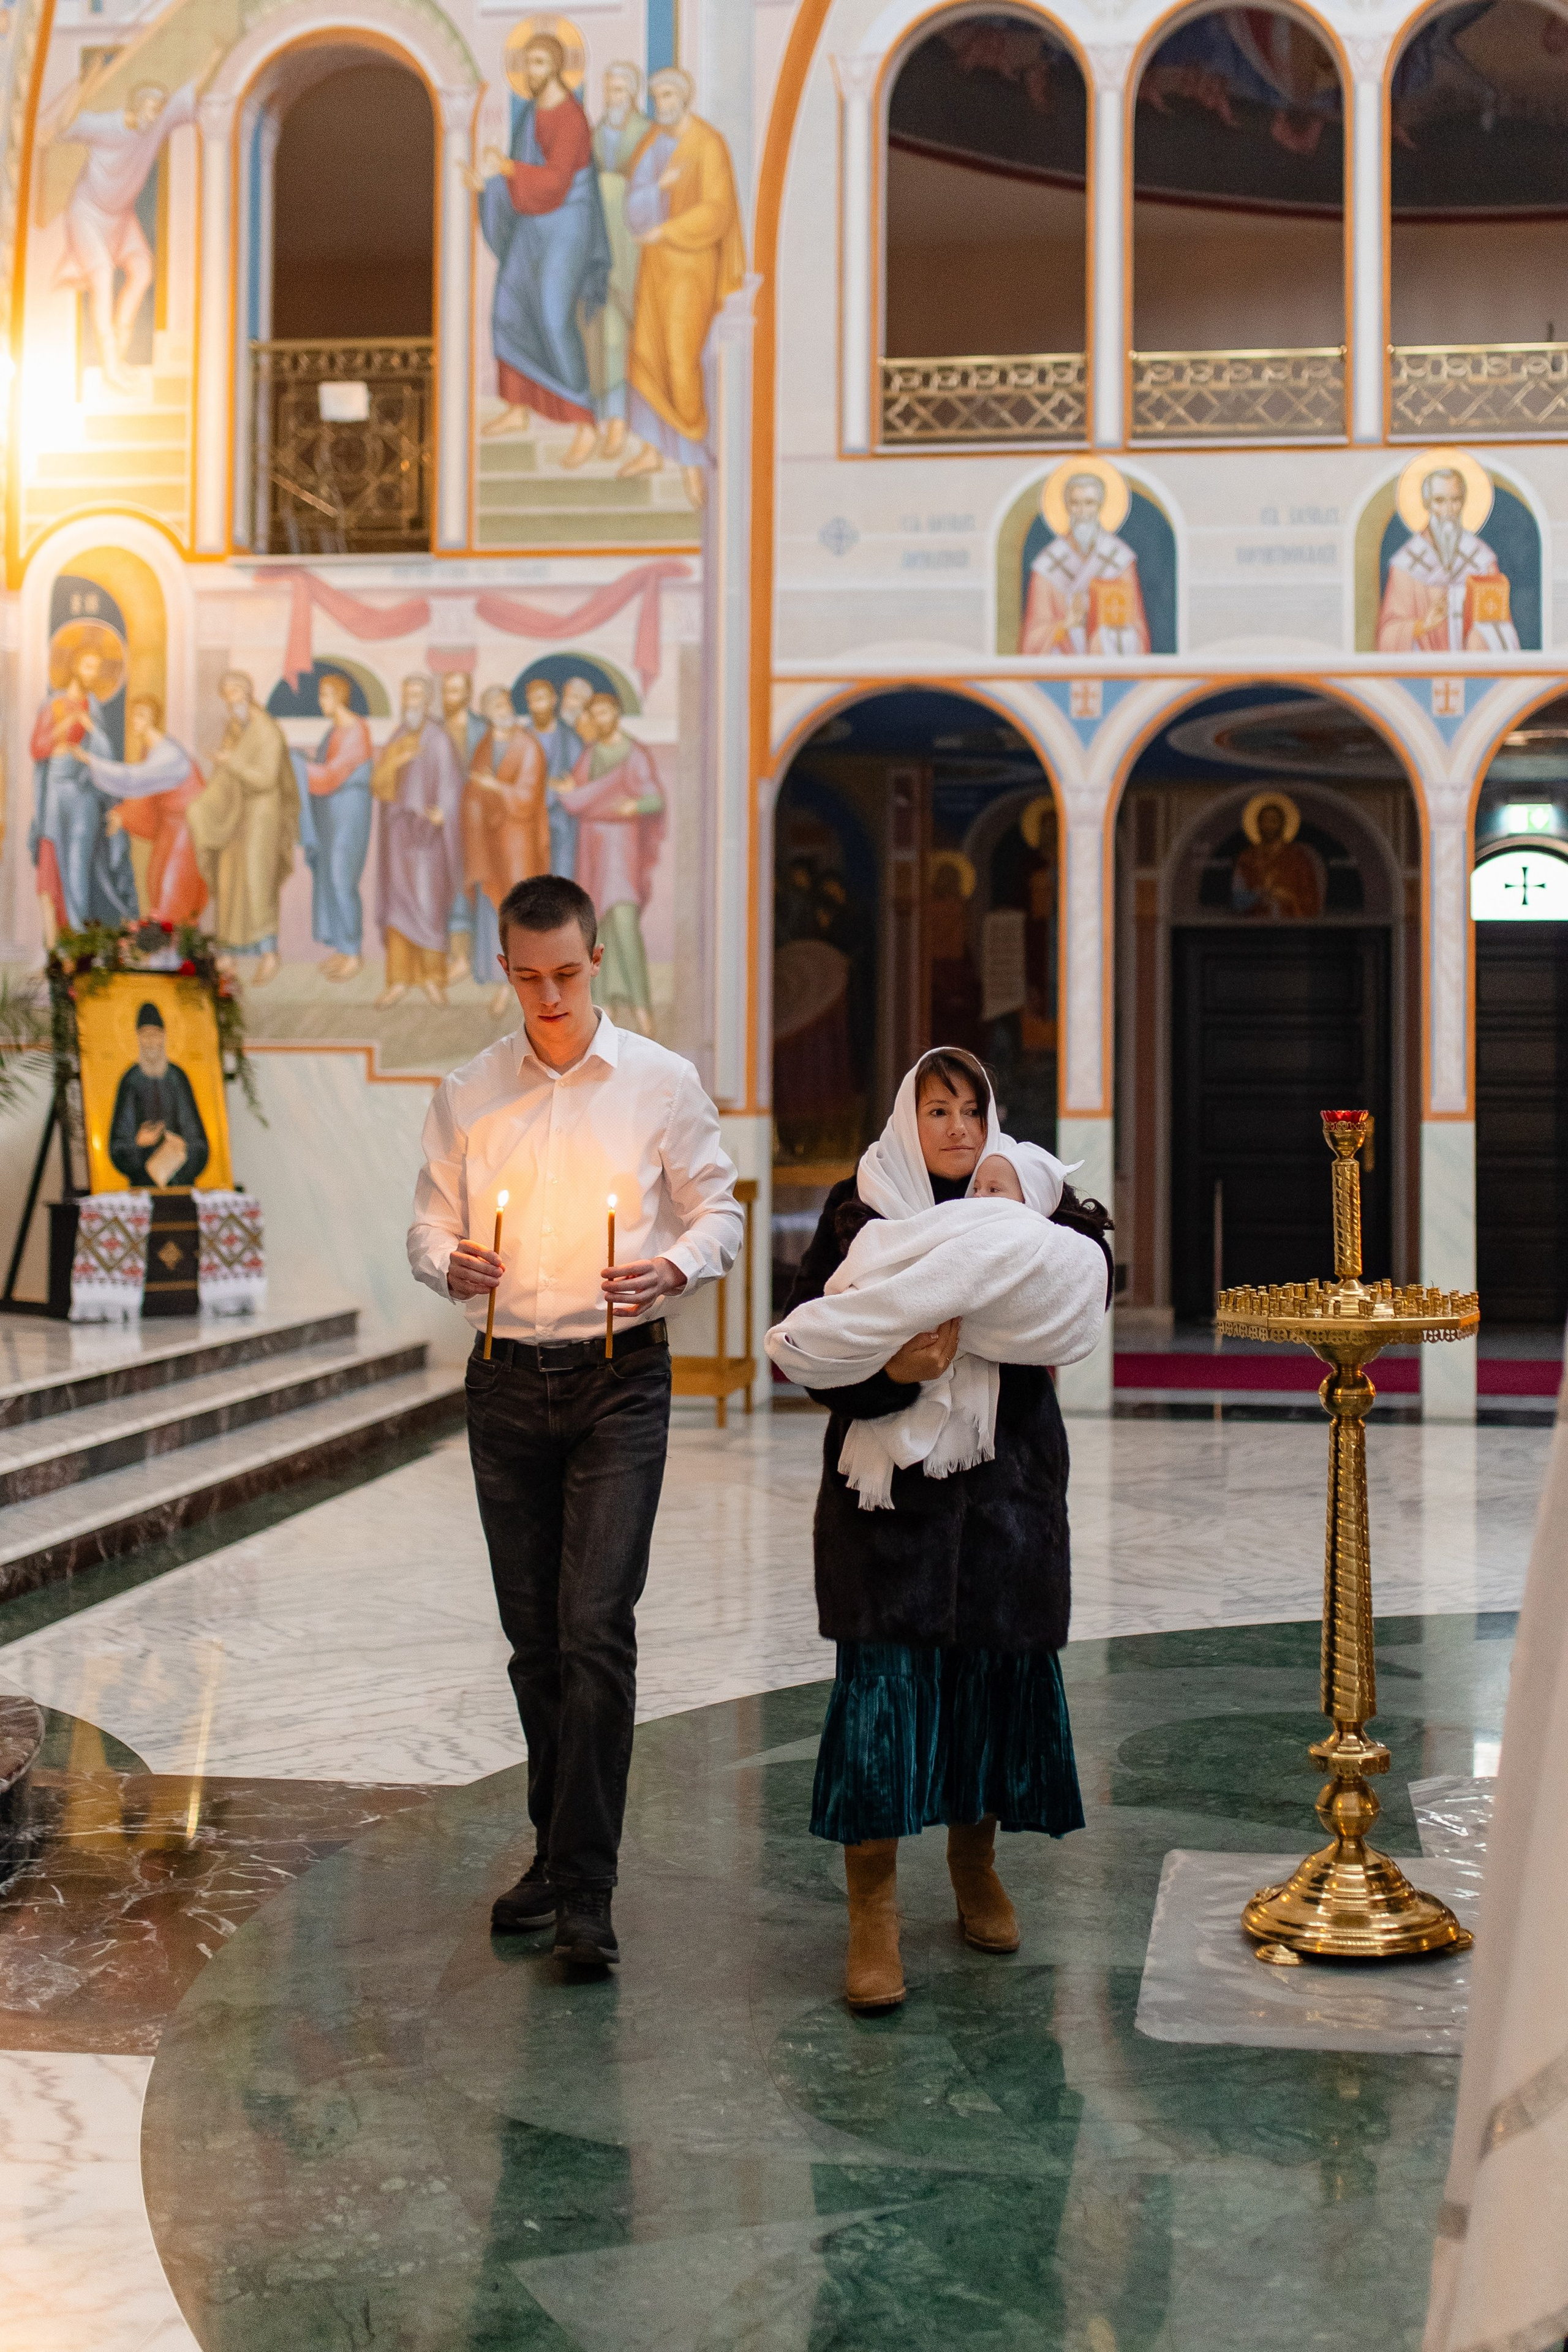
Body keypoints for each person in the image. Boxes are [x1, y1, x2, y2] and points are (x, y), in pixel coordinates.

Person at [407, 872, 742, 1966]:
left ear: (595, 960)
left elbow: (718, 1211)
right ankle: (555, 1849)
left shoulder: (660, 1081)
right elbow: (426, 1223)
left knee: (596, 1625)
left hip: (618, 1379)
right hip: (504, 1379)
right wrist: (443, 1258)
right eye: (527, 978)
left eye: (566, 975)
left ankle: (587, 1887)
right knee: (533, 1638)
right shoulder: (468, 1092)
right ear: (504, 969)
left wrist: (675, 1267)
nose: (548, 998)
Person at [772, 1047, 1112, 2013]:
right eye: (938, 1110)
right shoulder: (860, 1212)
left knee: (991, 1691)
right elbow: (810, 1343)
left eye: (972, 1109)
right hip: (893, 1515)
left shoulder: (1038, 1196)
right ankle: (871, 1910)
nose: (959, 1128)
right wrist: (903, 1365)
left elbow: (1089, 1283)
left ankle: (976, 1870)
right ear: (904, 1120)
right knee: (884, 1702)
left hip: (1007, 1500)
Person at [468, 32, 611, 468]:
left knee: (552, 314)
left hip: (568, 221)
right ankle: (517, 408)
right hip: (534, 222)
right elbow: (523, 182)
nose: (530, 73)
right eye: (526, 64)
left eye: (538, 64)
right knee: (509, 306)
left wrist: (507, 169)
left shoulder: (570, 117)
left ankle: (584, 423)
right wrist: (490, 185)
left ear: (555, 67)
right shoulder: (529, 114)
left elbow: (556, 181)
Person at [47, 61, 216, 393]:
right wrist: (81, 88)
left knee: (142, 271)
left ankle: (120, 356)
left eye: (158, 111)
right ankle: (109, 365)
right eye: (151, 110)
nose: (156, 118)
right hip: (89, 213)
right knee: (102, 277)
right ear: (136, 107)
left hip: (122, 217)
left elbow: (193, 92)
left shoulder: (156, 122)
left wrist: (218, 52)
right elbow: (62, 126)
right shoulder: (104, 125)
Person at [620, 67, 746, 510]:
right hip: (656, 266)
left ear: (686, 96)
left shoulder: (707, 144)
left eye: (669, 93)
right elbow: (633, 206)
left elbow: (717, 210)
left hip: (692, 265)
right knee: (646, 355)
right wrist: (657, 191)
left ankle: (693, 462)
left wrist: (669, 229)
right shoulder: (652, 143)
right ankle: (652, 450)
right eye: (657, 95)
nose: (662, 102)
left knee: (679, 358)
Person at [557, 690, 663, 1035]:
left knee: (625, 923)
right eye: (595, 713)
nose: (600, 719)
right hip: (593, 846)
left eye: (605, 712)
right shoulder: (592, 753)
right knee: (596, 926)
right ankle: (602, 1009)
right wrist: (567, 788)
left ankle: (642, 1009)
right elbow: (576, 792)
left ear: (616, 713)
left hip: (620, 847)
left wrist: (633, 806)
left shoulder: (634, 754)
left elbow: (653, 800)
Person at [184, 671, 296, 986]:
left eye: (235, 691)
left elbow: (265, 777)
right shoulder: (235, 729)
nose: (231, 699)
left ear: (248, 692)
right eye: (226, 694)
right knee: (229, 878)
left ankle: (269, 954)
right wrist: (204, 807)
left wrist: (230, 761)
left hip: (262, 814)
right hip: (234, 813)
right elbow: (226, 775)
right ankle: (228, 953)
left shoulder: (267, 731)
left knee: (257, 881)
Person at [28, 626, 135, 937]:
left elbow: (106, 753)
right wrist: (68, 722)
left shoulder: (93, 706)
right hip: (56, 792)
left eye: (97, 669)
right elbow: (38, 748)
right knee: (51, 862)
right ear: (75, 666)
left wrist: (91, 728)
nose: (92, 675)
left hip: (85, 792)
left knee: (79, 866)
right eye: (88, 667)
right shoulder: (54, 705)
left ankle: (78, 938)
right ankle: (57, 943)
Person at [371, 674, 467, 1009]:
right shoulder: (397, 738)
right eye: (406, 695)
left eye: (416, 696)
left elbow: (452, 788)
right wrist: (393, 765)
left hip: (428, 839)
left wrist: (444, 813)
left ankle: (432, 979)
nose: (410, 701)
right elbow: (379, 786)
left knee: (428, 907)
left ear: (426, 702)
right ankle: (398, 980)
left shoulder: (439, 739)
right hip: (398, 835)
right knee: (398, 906)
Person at [461, 684, 551, 1018]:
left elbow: (527, 797)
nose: (500, 709)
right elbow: (474, 788)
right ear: (485, 712)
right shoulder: (485, 745)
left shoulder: (527, 745)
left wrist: (494, 788)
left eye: (503, 703)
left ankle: (516, 984)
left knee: (516, 907)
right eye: (493, 705)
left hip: (518, 840)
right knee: (491, 902)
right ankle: (494, 974)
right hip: (490, 840)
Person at [85, 692, 206, 927]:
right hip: (170, 826)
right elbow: (146, 797)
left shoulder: (167, 754)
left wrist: (93, 763)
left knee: (172, 885)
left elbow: (134, 780)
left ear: (153, 720)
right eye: (134, 715)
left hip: (187, 827)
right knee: (155, 878)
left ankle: (172, 949)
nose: (135, 721)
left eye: (142, 716)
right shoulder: (150, 751)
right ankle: (160, 942)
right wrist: (123, 814)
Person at [1376, 466, 1520, 654]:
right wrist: (1422, 625)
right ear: (1427, 504)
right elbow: (1389, 633)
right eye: (1439, 501)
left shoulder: (1481, 559)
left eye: (1455, 500)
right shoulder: (1406, 565)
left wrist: (1480, 635)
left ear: (1464, 502)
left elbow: (1501, 625)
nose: (1448, 509)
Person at [587, 62, 650, 457]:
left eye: (621, 91)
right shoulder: (596, 134)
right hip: (600, 246)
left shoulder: (644, 133)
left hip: (631, 245)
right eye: (609, 90)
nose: (614, 98)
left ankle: (626, 422)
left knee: (630, 336)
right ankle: (608, 421)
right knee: (604, 336)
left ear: (633, 94)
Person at [294, 670, 373, 979]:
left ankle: (353, 951)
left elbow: (329, 776)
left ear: (339, 697)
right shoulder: (334, 732)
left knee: (343, 878)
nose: (321, 701)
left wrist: (298, 766)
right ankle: (342, 948)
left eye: (325, 695)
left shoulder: (357, 731)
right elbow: (324, 770)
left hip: (350, 813)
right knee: (330, 877)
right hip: (330, 814)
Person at [1021, 473, 1151, 657]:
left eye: (1089, 503)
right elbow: (1034, 635)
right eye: (1075, 503)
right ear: (1067, 507)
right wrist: (1065, 624)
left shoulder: (1119, 558)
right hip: (1065, 655)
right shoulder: (1047, 563)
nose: (1082, 511)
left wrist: (1102, 627)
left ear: (1100, 506)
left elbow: (1136, 627)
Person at [108, 999, 209, 1188]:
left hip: (181, 1185)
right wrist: (138, 1143)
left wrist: (183, 1146)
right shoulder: (131, 1080)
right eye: (145, 1035)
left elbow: (199, 1142)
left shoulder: (177, 1078)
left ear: (164, 1037)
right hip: (141, 1186)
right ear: (138, 1037)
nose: (151, 1042)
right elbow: (117, 1146)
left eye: (156, 1035)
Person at [438, 673, 489, 986]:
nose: (449, 696)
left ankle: (465, 958)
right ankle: (449, 954)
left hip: (476, 822)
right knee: (443, 885)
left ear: (468, 694)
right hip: (441, 822)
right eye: (446, 690)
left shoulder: (482, 730)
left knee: (469, 886)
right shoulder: (436, 730)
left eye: (455, 690)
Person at [1231, 795, 1323, 921]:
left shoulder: (1297, 857)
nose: (1269, 826)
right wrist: (1260, 895)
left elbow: (1311, 899)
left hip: (1291, 924)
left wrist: (1288, 897)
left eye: (1274, 821)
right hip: (1256, 924)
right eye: (1265, 821)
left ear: (1282, 824)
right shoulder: (1248, 857)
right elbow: (1238, 900)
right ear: (1258, 824)